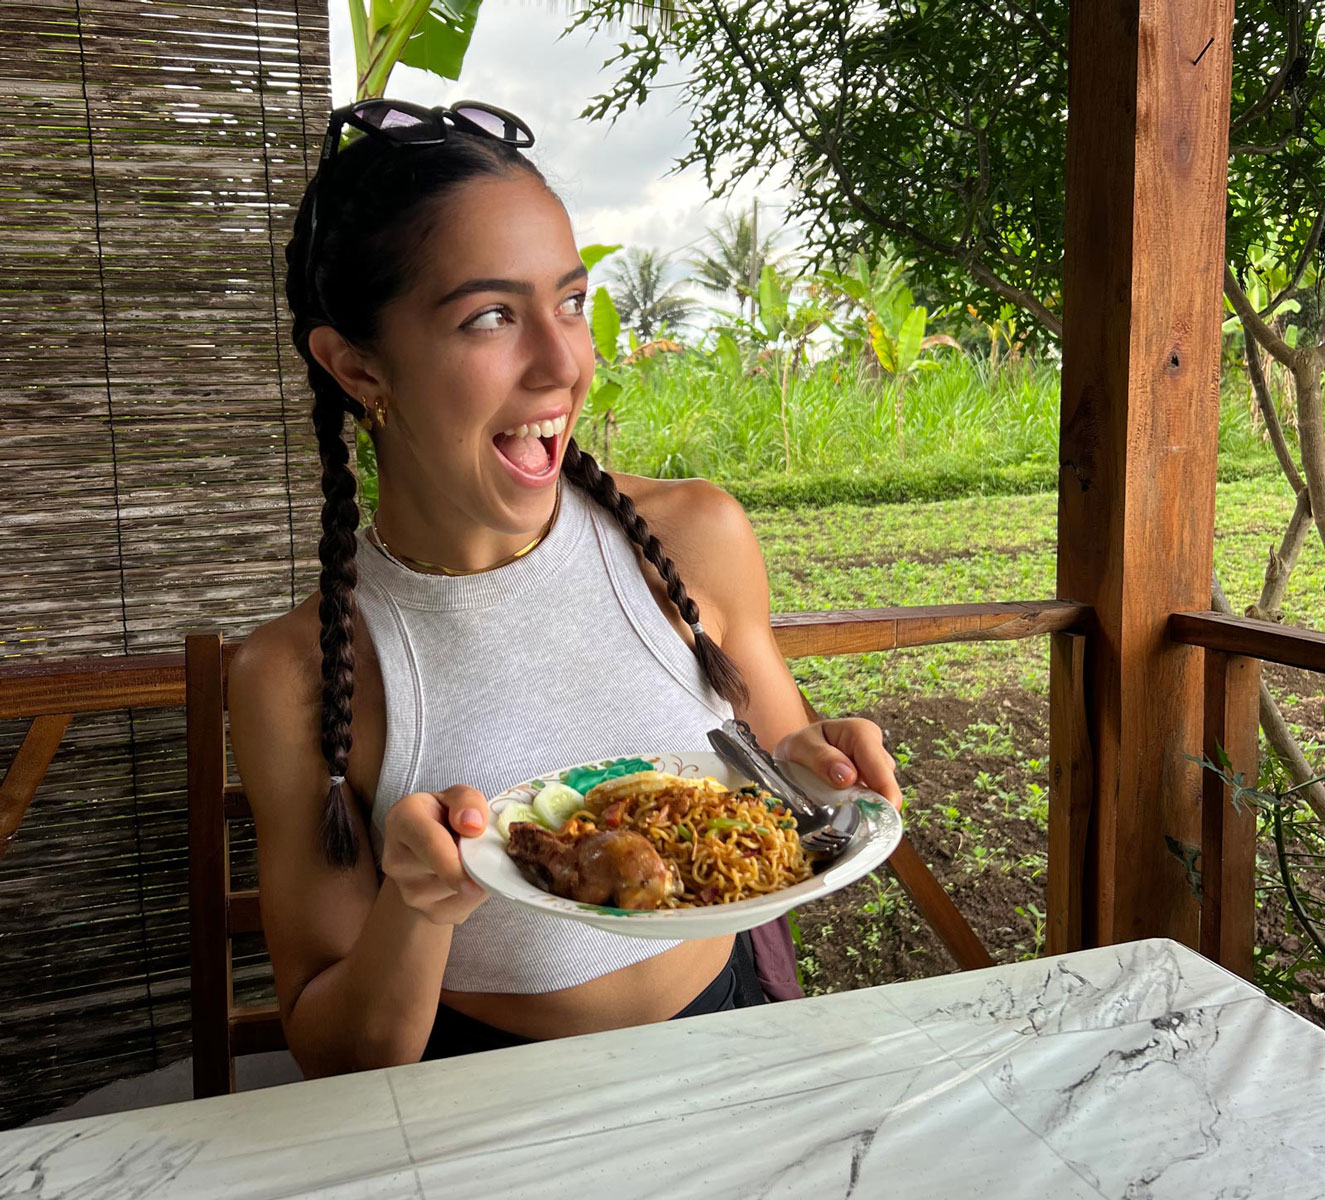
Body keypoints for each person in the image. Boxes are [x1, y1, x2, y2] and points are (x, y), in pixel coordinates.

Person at [227, 97, 904, 1080]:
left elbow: (786, 790)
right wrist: (416, 907)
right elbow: (335, 1053)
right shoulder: (295, 674)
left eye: (571, 301)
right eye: (490, 316)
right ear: (356, 367)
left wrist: (813, 765)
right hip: (482, 1102)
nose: (564, 361)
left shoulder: (694, 537)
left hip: (731, 1041)